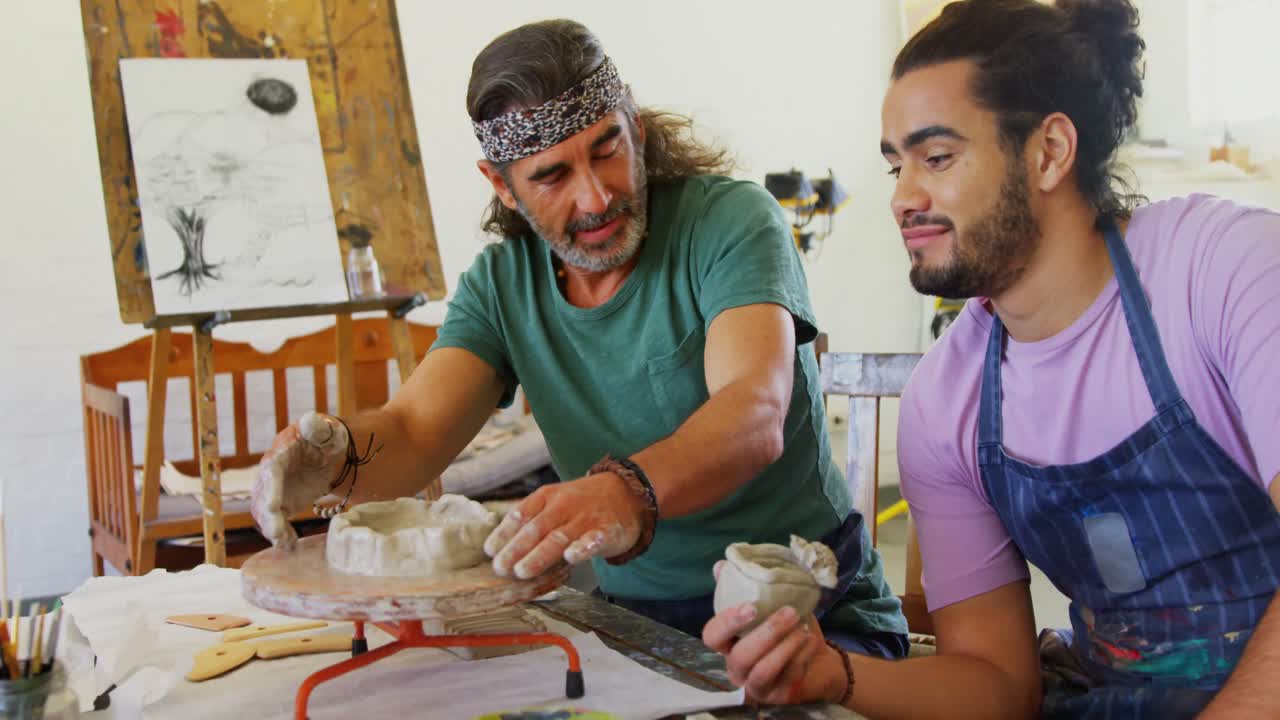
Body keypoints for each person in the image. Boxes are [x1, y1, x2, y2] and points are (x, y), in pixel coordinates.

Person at [252, 18, 908, 658]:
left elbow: (754, 412)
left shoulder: (730, 222)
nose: (595, 198)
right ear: (502, 185)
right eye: (552, 176)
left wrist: (627, 492)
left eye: (607, 150)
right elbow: (415, 433)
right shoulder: (501, 285)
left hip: (811, 616)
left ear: (636, 130)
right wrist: (337, 459)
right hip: (635, 629)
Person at [701, 0, 1280, 717]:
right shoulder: (947, 401)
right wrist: (834, 674)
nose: (903, 198)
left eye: (937, 158)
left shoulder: (1226, 269)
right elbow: (998, 685)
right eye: (896, 166)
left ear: (1049, 152)